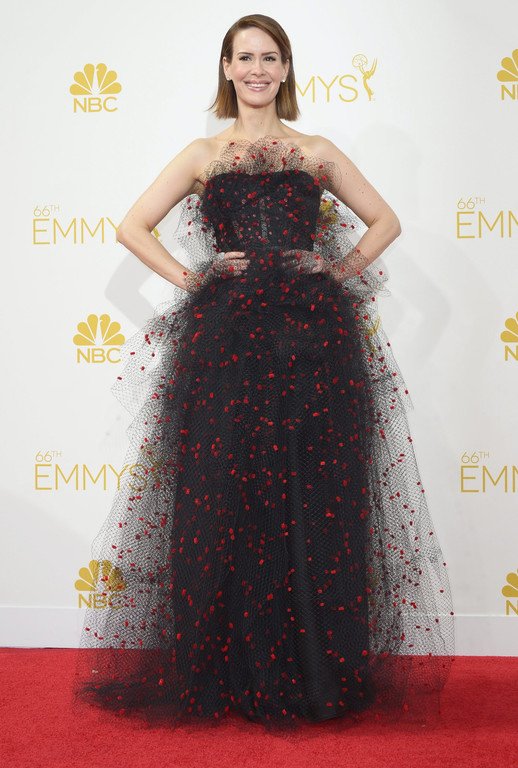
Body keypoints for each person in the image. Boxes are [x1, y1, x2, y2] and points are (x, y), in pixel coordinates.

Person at [72, 13, 455, 732]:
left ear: (285, 69)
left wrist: (336, 269)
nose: (257, 70)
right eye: (245, 58)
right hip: (227, 346)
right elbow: (130, 226)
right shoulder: (202, 154)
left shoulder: (315, 151)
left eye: (270, 58)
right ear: (226, 68)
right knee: (226, 499)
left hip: (314, 345)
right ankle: (226, 671)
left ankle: (313, 671)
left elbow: (385, 221)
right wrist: (194, 278)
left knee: (314, 502)